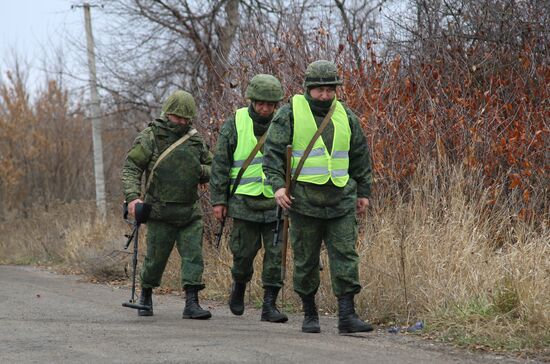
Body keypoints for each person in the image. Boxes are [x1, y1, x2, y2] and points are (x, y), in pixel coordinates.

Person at [263, 60, 374, 334]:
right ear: (307, 89)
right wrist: (278, 187)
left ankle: (347, 316)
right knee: (306, 259)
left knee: (346, 256)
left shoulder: (345, 115)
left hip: (341, 200)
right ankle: (309, 314)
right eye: (319, 90)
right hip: (303, 202)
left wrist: (363, 193)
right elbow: (273, 155)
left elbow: (359, 155)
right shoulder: (289, 113)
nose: (325, 95)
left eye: (330, 89)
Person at [121, 90, 213, 319]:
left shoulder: (195, 139)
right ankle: (146, 297)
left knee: (194, 257)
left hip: (189, 212)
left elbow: (213, 168)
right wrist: (133, 197)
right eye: (177, 117)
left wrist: (199, 171)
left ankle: (192, 303)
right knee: (154, 259)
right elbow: (132, 167)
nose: (181, 122)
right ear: (167, 114)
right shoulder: (150, 136)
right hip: (159, 211)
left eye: (186, 119)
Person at [210, 74, 288, 323]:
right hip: (244, 203)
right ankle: (239, 287)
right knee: (243, 255)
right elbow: (220, 163)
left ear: (277, 104)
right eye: (260, 103)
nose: (265, 109)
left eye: (270, 104)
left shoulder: (285, 122)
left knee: (275, 255)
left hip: (276, 203)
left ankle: (269, 305)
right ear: (252, 101)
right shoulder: (236, 122)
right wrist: (219, 201)